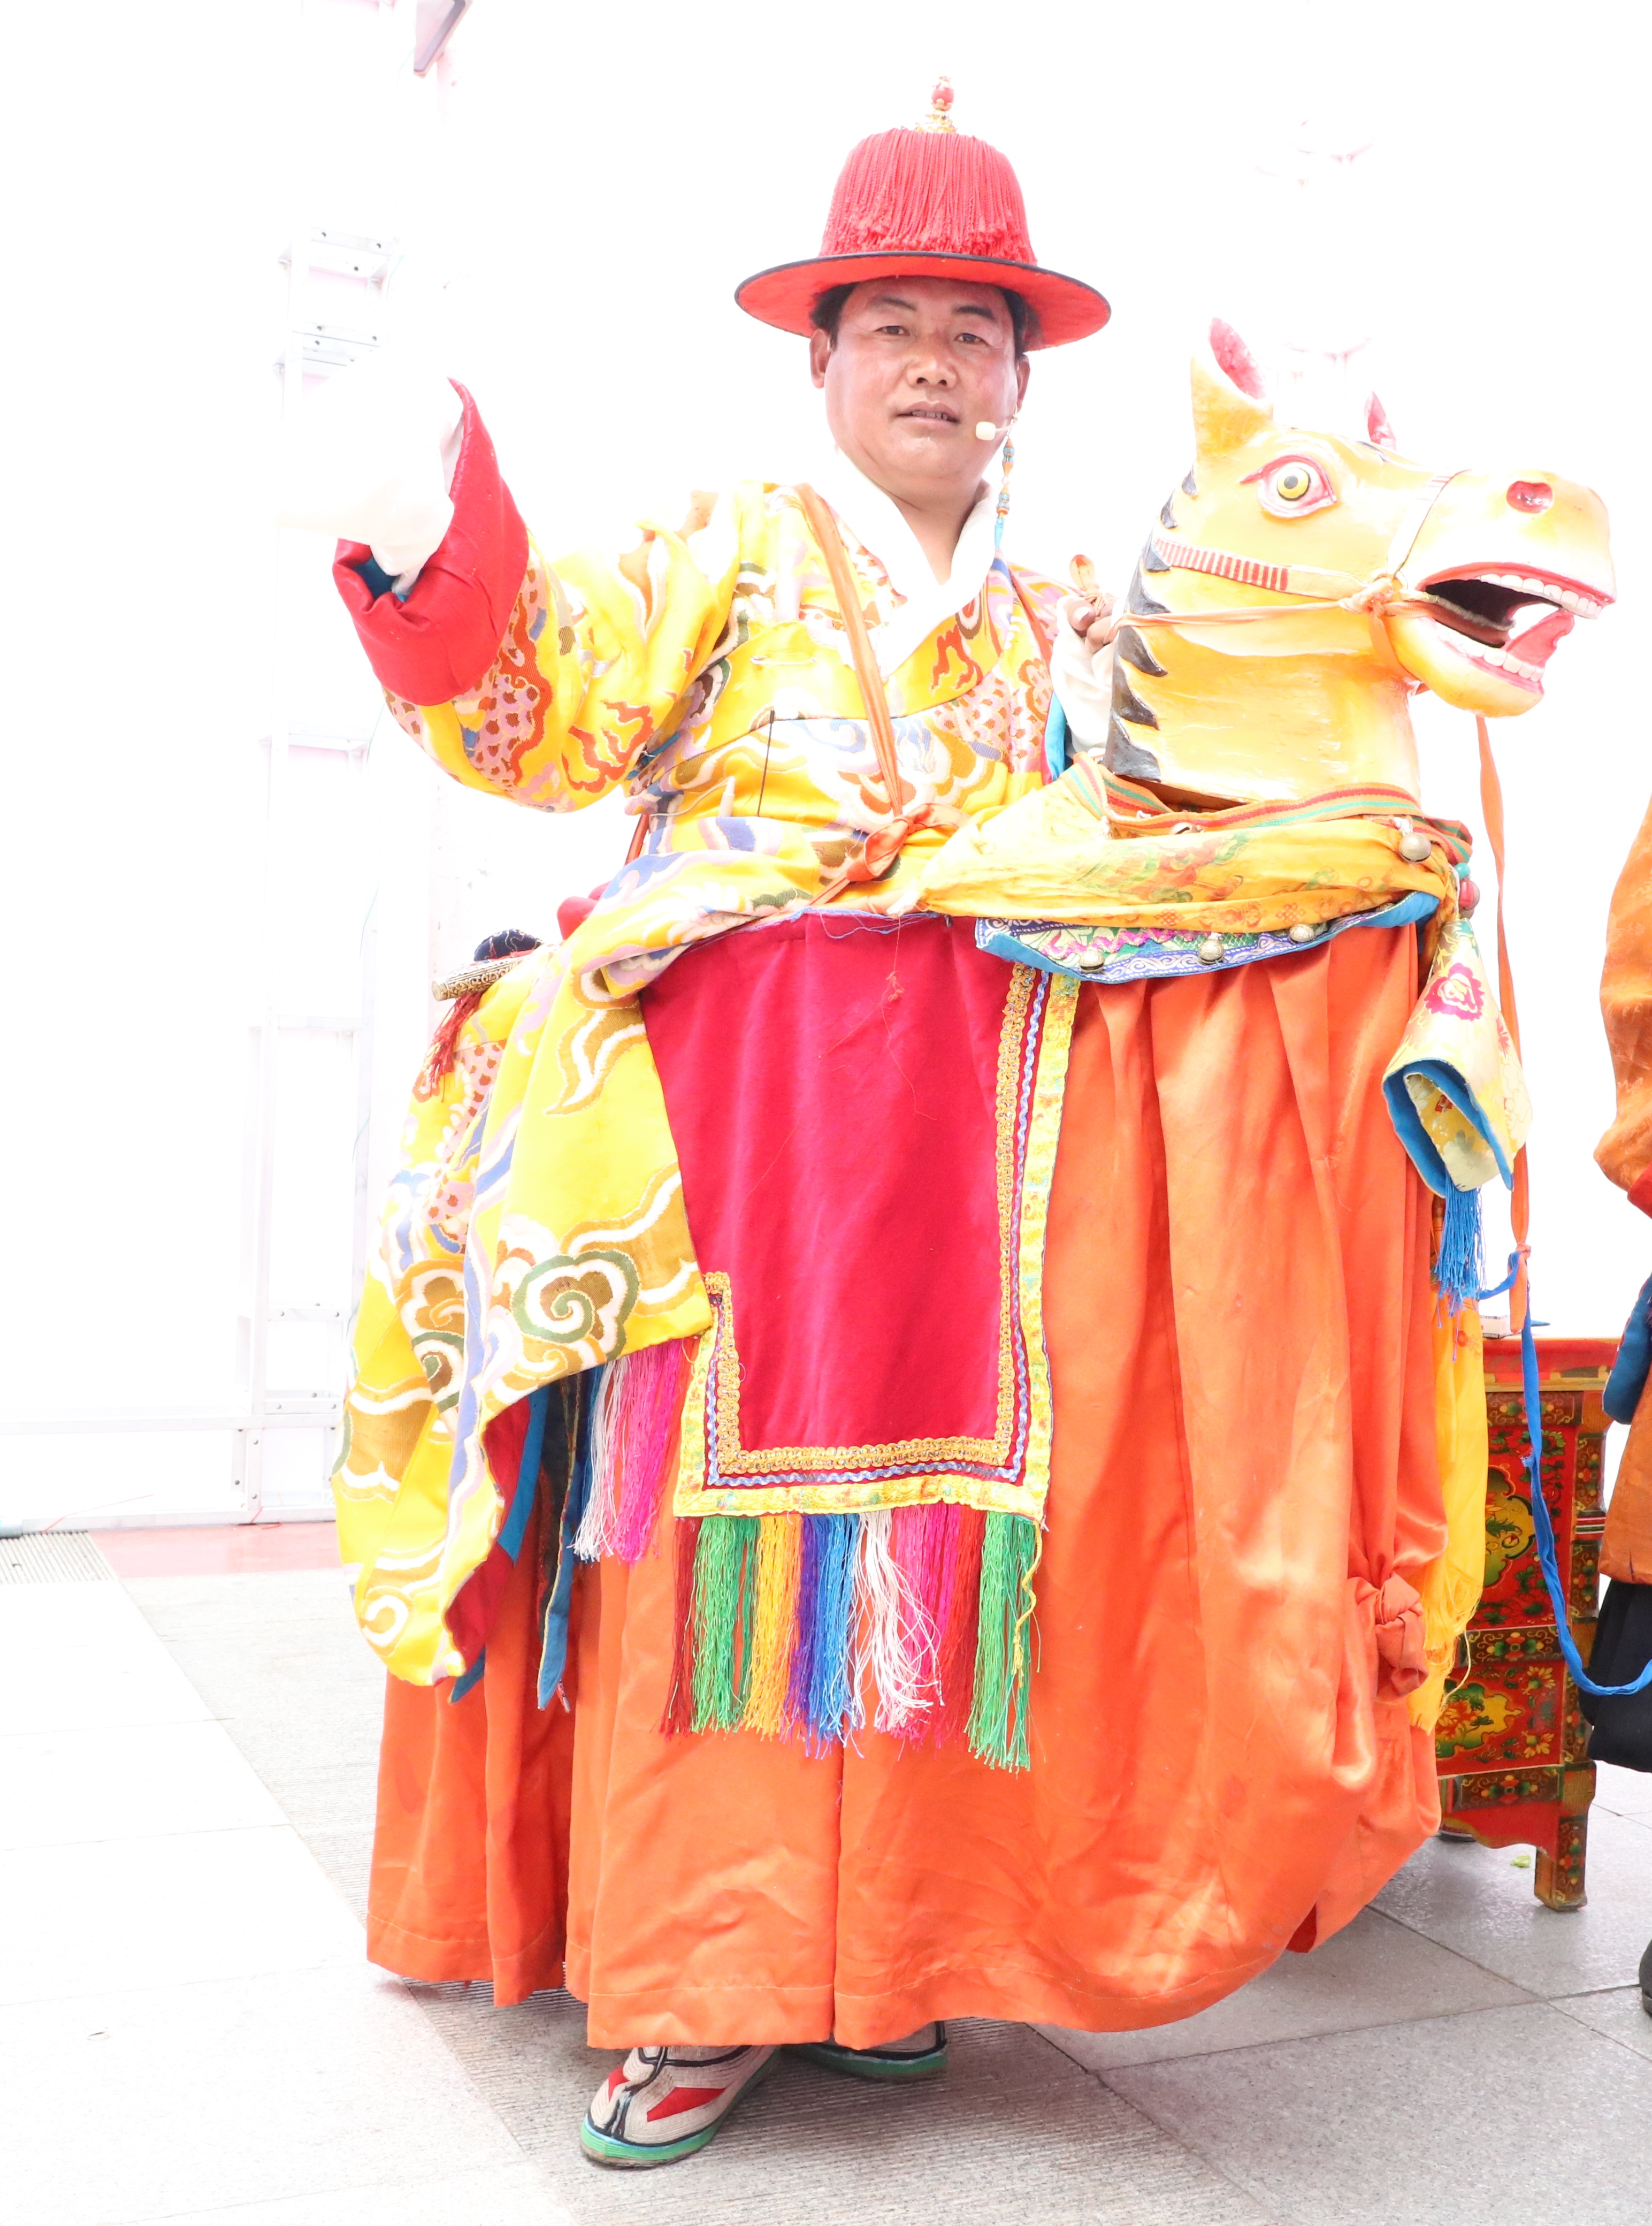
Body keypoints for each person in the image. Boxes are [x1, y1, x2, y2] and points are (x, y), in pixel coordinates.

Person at [295, 90, 1471, 2167]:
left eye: (976, 331)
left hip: (976, 1150)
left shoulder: (1055, 620)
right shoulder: (726, 545)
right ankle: (698, 1974)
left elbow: (1170, 832)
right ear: (821, 355)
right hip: (723, 1141)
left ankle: (882, 1951)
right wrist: (422, 535)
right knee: (704, 1543)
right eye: (897, 325)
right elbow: (539, 711)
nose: (938, 363)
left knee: (960, 1539)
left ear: (1020, 377)